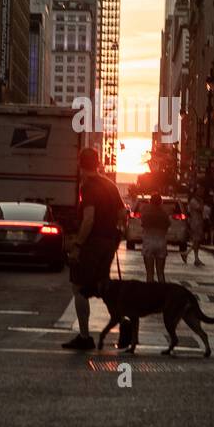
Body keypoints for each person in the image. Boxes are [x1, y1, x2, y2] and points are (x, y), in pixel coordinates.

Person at [63, 148, 127, 352]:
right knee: (102, 286)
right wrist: (115, 233)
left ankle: (84, 336)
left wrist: (78, 244)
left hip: (93, 243)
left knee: (79, 286)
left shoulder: (89, 187)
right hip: (109, 242)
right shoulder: (110, 185)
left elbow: (89, 218)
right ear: (98, 163)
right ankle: (124, 323)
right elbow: (123, 213)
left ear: (80, 165)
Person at [140, 192, 170, 283]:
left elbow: (143, 224)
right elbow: (167, 226)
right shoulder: (164, 214)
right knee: (160, 272)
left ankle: (150, 294)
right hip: (161, 242)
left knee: (150, 273)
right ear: (161, 202)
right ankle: (162, 293)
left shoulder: (146, 213)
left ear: (150, 201)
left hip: (149, 242)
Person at [187, 193, 205, 266]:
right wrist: (201, 202)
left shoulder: (194, 201)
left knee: (197, 241)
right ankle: (195, 258)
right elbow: (201, 208)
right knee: (196, 240)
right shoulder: (193, 201)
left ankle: (188, 254)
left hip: (197, 222)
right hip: (195, 223)